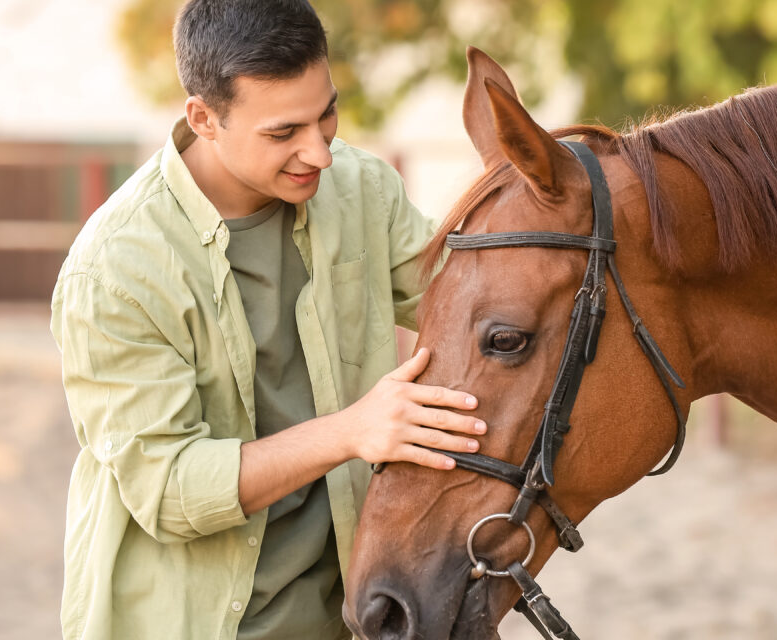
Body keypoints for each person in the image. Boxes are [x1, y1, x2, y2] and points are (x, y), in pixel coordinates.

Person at [50, 1, 483, 638]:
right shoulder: (114, 271)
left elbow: (474, 304)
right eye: (284, 134)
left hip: (350, 617)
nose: (320, 153)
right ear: (204, 118)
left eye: (327, 114)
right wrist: (351, 432)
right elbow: (169, 490)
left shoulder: (364, 189)